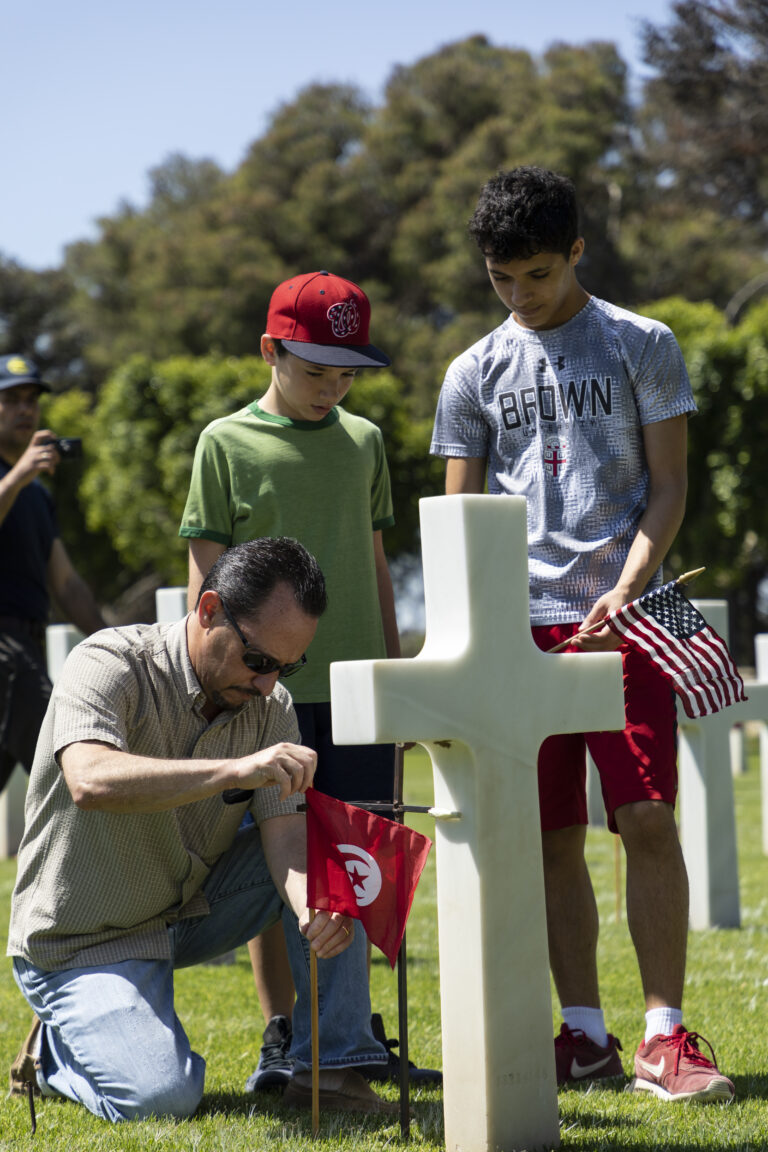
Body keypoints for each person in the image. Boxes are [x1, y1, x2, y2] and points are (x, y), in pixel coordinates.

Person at [430, 167, 734, 1103]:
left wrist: (629, 587)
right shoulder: (472, 371)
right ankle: (588, 1034)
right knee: (553, 833)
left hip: (628, 619)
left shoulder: (643, 344)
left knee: (644, 815)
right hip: (518, 632)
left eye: (537, 274)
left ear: (576, 251)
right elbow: (459, 513)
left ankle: (665, 1036)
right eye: (501, 278)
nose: (521, 295)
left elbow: (670, 486)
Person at [8, 538, 398, 1121]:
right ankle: (54, 1052)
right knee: (164, 1099)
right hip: (80, 942)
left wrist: (309, 907)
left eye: (287, 667)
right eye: (259, 661)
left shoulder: (272, 705)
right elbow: (89, 779)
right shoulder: (108, 661)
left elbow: (286, 835)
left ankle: (329, 1070)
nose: (269, 684)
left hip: (184, 912)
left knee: (334, 853)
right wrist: (234, 770)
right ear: (210, 609)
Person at [180, 270, 440, 1090]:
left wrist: (396, 679)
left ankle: (349, 1041)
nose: (334, 384)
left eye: (347, 370)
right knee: (279, 849)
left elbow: (372, 564)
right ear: (270, 350)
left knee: (357, 859)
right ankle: (285, 1036)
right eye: (316, 366)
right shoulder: (223, 443)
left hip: (362, 693)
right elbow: (204, 582)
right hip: (265, 692)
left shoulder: (363, 443)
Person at [0, 353, 105, 795]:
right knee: (67, 759)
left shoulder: (38, 495)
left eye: (32, 400)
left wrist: (114, 641)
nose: (26, 409)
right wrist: (19, 475)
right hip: (5, 649)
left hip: (25, 643)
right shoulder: (22, 482)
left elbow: (66, 584)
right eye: (12, 399)